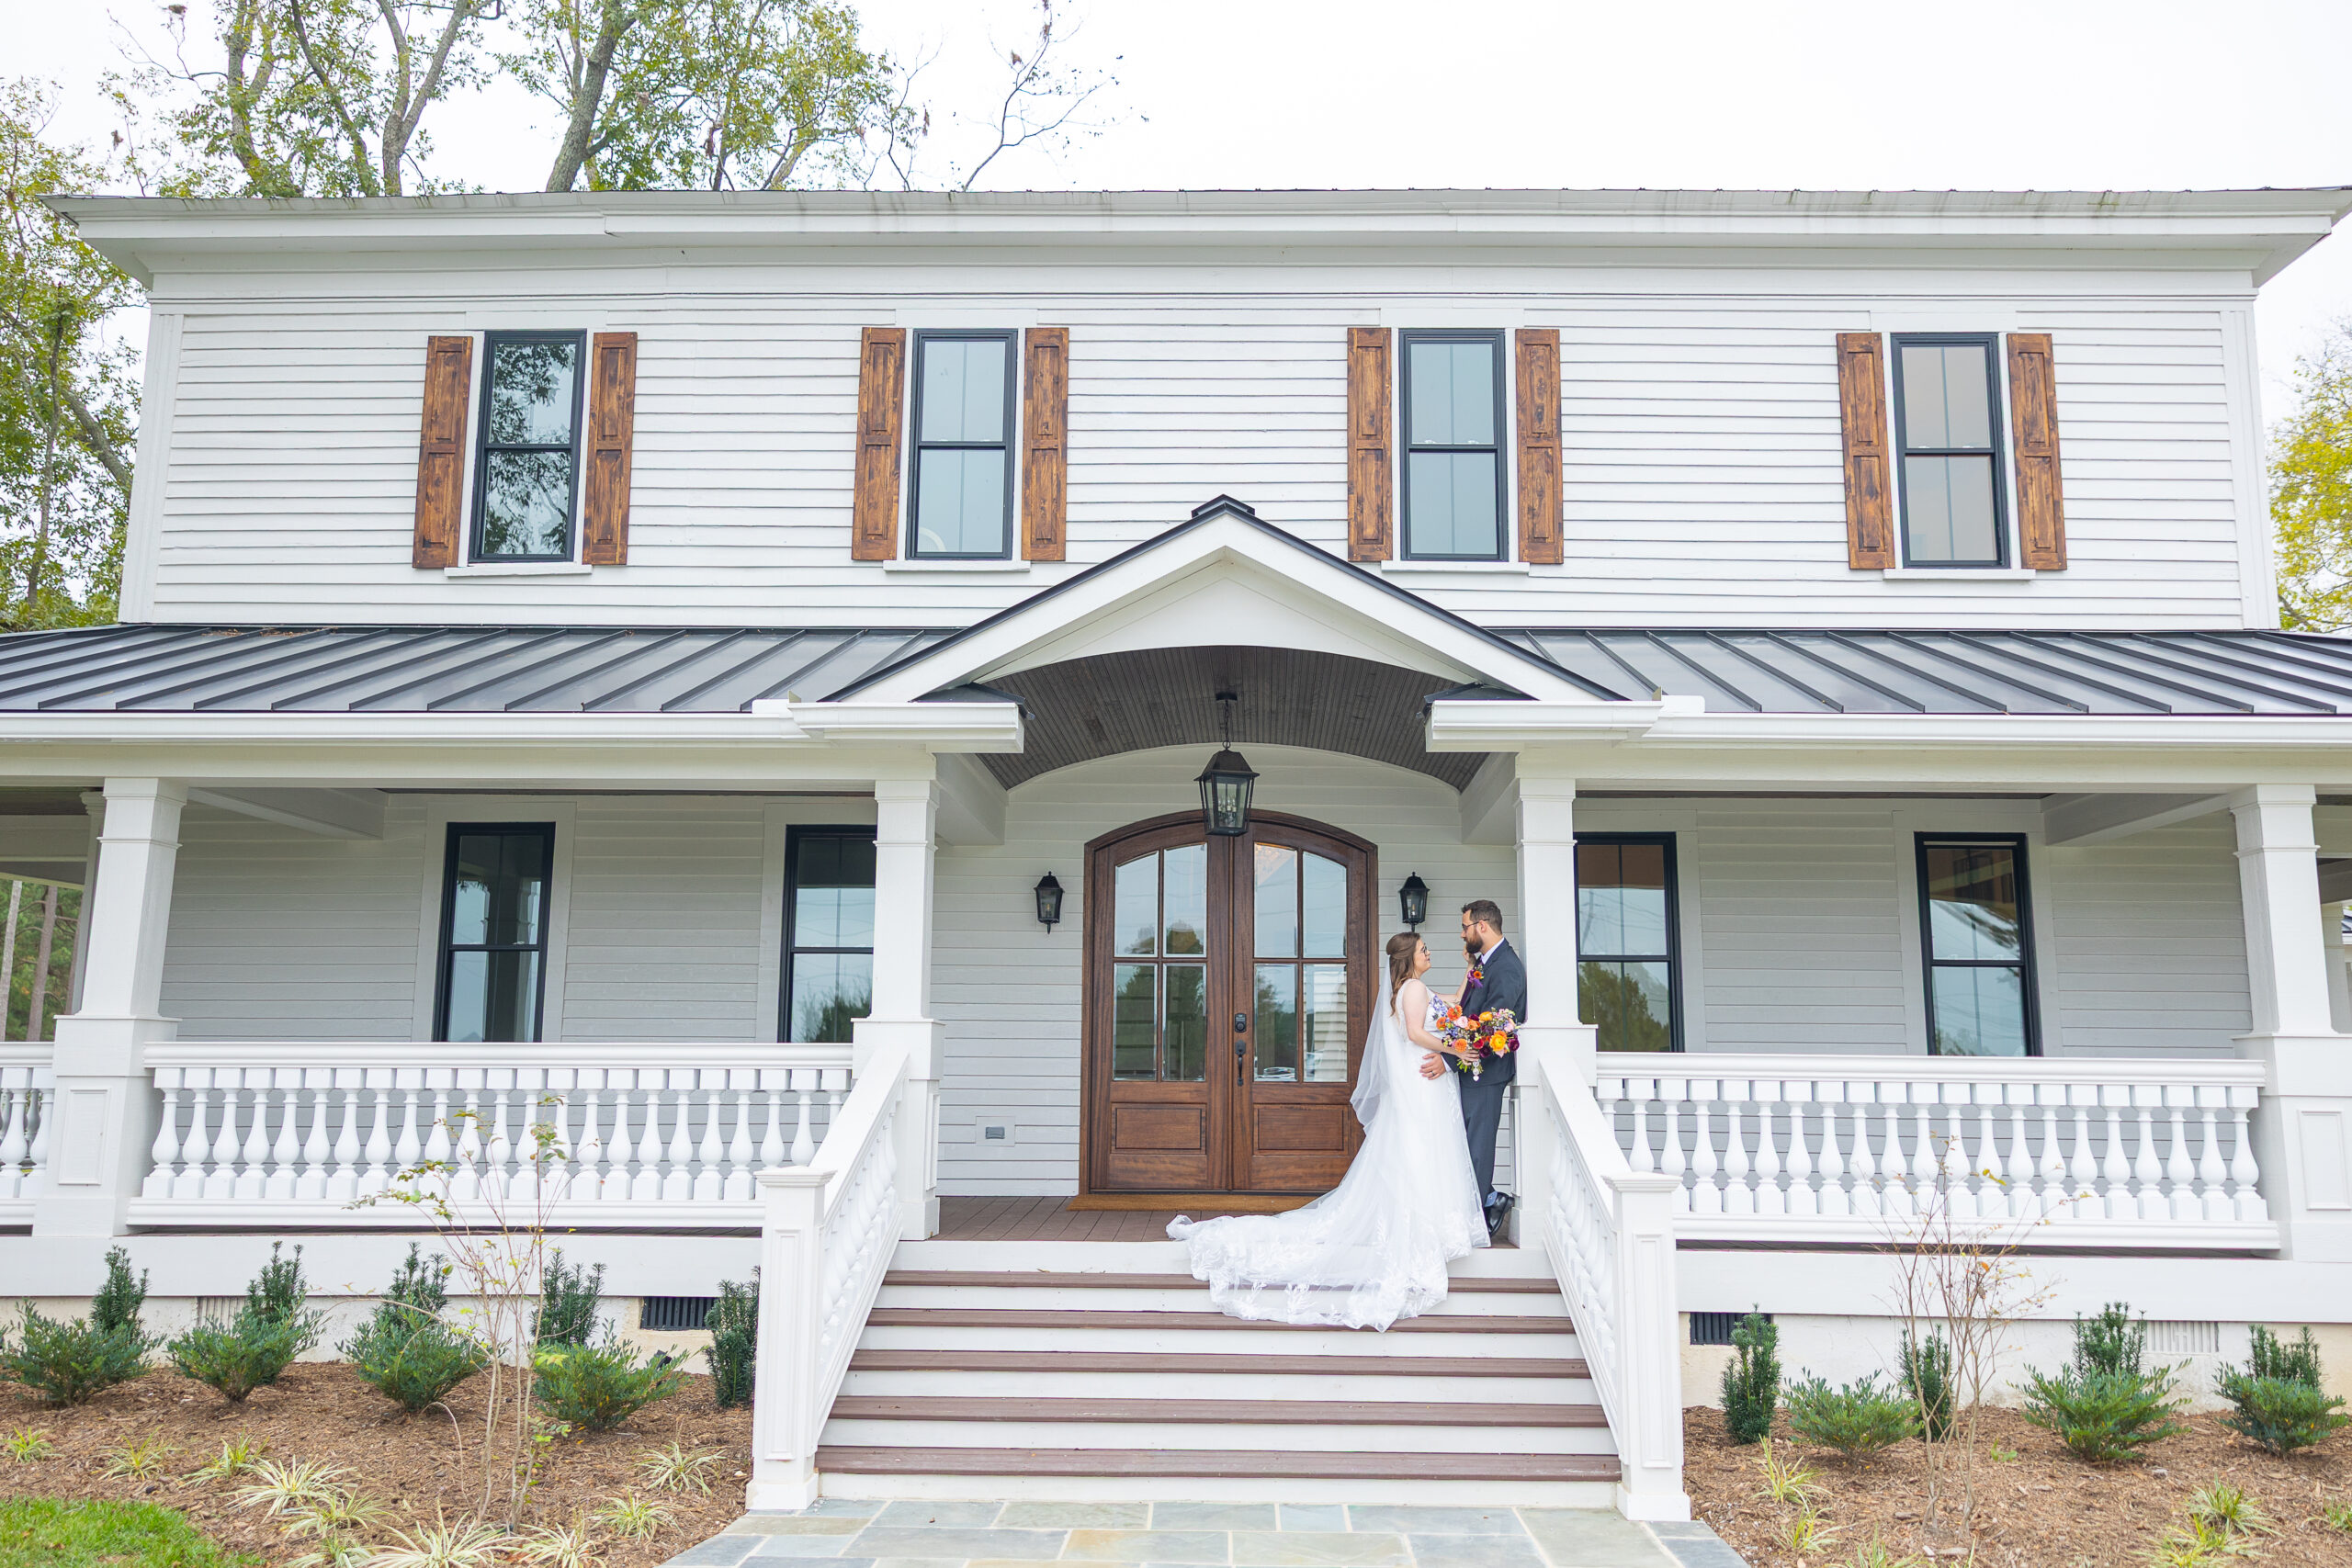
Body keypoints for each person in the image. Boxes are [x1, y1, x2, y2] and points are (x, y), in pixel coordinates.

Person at [1167, 931, 1487, 1329]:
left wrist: (1472, 973)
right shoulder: (1414, 989)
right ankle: (1422, 1224)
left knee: (1421, 1149)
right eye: (1424, 949)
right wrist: (1456, 1050)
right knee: (1420, 1149)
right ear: (1409, 957)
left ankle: (1429, 1220)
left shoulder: (1415, 987)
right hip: (1422, 1076)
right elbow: (1416, 1033)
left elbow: (1453, 1005)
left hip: (1424, 1075)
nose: (1429, 952)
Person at [1420, 899, 1522, 1241]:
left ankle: (1474, 1223)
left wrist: (1448, 1058)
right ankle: (1490, 1200)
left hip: (1486, 1072)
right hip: (1472, 1068)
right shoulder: (1485, 963)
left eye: (1464, 927)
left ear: (1481, 926)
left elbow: (1494, 1025)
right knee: (1464, 1144)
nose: (1461, 933)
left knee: (1476, 1146)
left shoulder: (1506, 966)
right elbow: (1469, 1011)